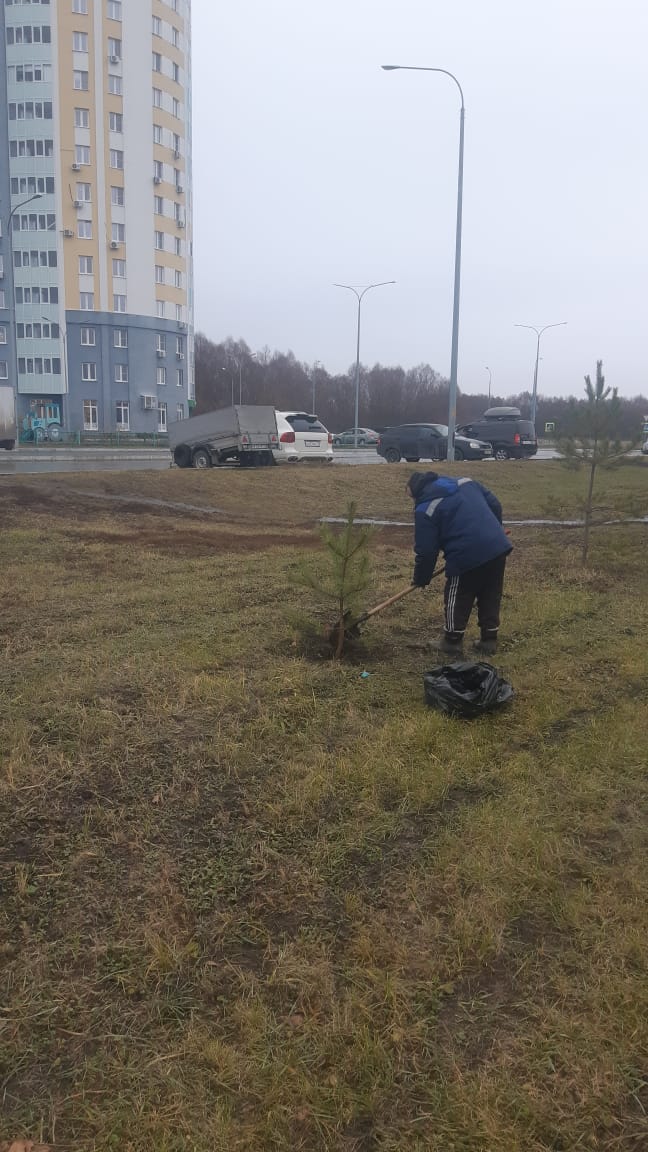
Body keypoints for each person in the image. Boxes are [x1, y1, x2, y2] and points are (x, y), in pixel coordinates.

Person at [407, 470, 512, 658]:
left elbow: (427, 551)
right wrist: (495, 529)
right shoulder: (466, 483)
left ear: (416, 492)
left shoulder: (425, 508)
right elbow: (495, 504)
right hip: (497, 547)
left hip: (465, 554)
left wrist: (421, 578)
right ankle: (489, 640)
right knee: (491, 592)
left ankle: (452, 642)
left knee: (458, 595)